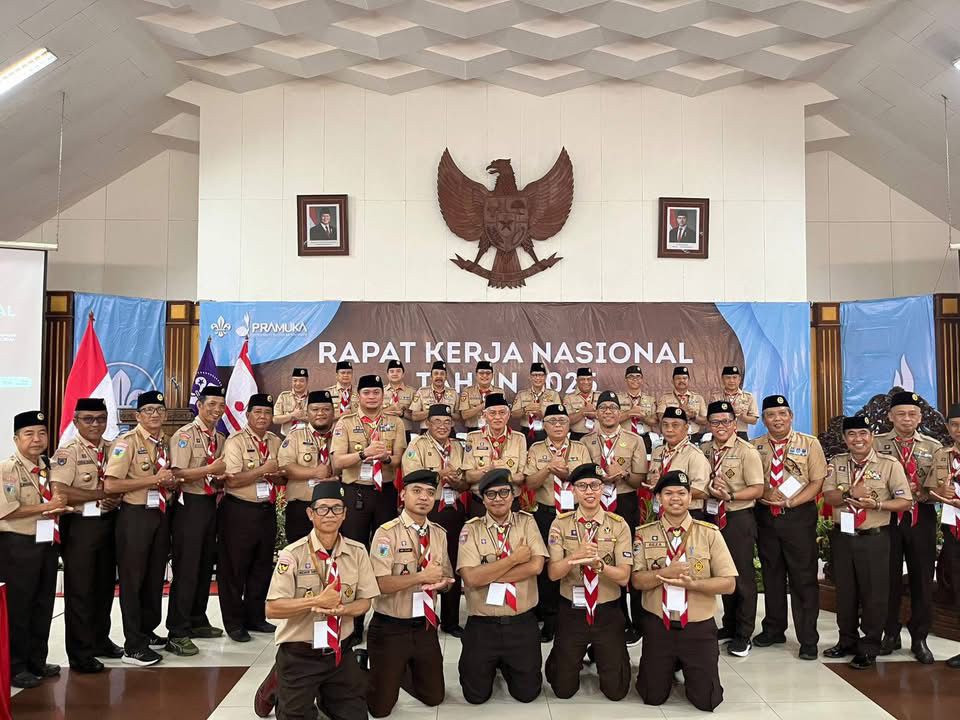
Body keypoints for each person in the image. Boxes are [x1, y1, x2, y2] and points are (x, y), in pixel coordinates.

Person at [256, 481, 380, 720]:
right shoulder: (292, 554)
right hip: (300, 655)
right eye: (322, 508)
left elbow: (366, 602)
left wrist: (343, 609)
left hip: (339, 653)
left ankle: (325, 695)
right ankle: (277, 679)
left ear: (344, 514)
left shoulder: (357, 552)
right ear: (310, 513)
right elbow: (272, 609)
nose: (330, 514)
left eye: (336, 508)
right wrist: (316, 601)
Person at [632, 470, 737, 712]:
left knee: (706, 701)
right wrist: (664, 574)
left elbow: (729, 584)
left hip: (698, 627)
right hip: (659, 625)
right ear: (658, 498)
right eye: (668, 493)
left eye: (681, 493)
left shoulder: (709, 533)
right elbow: (637, 581)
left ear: (690, 497)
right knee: (652, 696)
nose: (675, 498)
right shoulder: (644, 534)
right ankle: (669, 665)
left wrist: (694, 585)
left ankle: (683, 665)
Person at [822, 416, 911, 669]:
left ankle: (870, 646)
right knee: (845, 592)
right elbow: (829, 497)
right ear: (844, 438)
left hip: (874, 537)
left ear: (871, 436)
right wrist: (849, 492)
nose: (857, 439)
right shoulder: (837, 462)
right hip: (843, 536)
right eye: (851, 434)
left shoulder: (888, 464)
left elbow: (905, 501)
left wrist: (878, 504)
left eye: (863, 433)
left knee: (874, 594)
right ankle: (846, 641)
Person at [367, 469, 454, 717]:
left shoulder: (439, 533)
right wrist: (420, 577)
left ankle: (397, 670)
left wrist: (443, 583)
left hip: (424, 625)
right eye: (417, 491)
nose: (424, 497)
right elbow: (379, 584)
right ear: (403, 495)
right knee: (380, 709)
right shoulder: (387, 533)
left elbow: (447, 578)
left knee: (434, 697)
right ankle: (368, 667)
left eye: (430, 492)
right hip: (390, 627)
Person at [457, 468, 547, 704]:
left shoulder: (527, 522)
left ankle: (506, 665)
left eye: (504, 492)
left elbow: (536, 567)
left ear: (513, 494)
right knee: (475, 696)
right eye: (491, 494)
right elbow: (471, 578)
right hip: (482, 624)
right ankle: (495, 664)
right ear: (482, 498)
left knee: (527, 694)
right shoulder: (471, 529)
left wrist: (488, 573)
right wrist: (514, 560)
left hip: (521, 622)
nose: (498, 499)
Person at [544, 463, 632, 702]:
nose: (589, 491)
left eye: (594, 485)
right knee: (563, 690)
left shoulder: (619, 524)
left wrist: (601, 567)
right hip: (572, 610)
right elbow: (553, 574)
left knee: (616, 692)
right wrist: (576, 556)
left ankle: (602, 653)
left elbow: (624, 577)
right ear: (573, 491)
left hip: (607, 611)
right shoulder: (560, 524)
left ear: (602, 488)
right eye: (582, 486)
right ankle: (564, 653)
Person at [104, 391, 179, 666]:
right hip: (135, 516)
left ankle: (147, 631)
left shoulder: (165, 442)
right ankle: (133, 645)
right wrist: (152, 480)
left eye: (159, 410)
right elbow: (111, 484)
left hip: (159, 514)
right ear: (137, 416)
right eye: (148, 410)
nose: (154, 415)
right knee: (133, 581)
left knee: (154, 577)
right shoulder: (127, 442)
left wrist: (168, 483)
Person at [751, 394, 826, 660]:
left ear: (791, 416)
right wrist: (764, 494)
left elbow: (817, 482)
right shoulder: (755, 447)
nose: (777, 419)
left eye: (782, 414)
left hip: (798, 517)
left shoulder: (810, 443)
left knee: (803, 578)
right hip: (765, 517)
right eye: (771, 415)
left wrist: (792, 502)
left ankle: (808, 639)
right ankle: (773, 629)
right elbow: (751, 482)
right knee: (771, 574)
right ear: (763, 419)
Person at [50, 399, 123, 673]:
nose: (96, 424)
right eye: (89, 419)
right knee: (81, 590)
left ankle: (100, 640)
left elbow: (121, 481)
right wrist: (101, 494)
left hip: (109, 522)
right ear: (76, 421)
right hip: (80, 526)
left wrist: (115, 497)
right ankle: (80, 653)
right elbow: (60, 491)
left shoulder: (112, 448)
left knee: (104, 586)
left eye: (101, 418)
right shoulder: (68, 451)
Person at [874, 391, 942, 663]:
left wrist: (924, 492)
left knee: (922, 579)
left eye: (912, 414)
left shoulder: (934, 447)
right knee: (887, 577)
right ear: (890, 416)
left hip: (921, 516)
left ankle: (920, 637)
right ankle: (890, 633)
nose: (906, 419)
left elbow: (940, 485)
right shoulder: (876, 443)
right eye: (900, 414)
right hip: (887, 516)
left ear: (920, 417)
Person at [0, 411, 66, 688]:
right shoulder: (8, 469)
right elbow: (7, 510)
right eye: (29, 434)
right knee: (19, 607)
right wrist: (47, 506)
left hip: (47, 543)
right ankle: (16, 666)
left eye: (41, 433)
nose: (37, 439)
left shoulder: (49, 466)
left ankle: (37, 660)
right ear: (16, 439)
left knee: (43, 604)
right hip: (18, 545)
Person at [165, 385, 228, 656]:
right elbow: (177, 473)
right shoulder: (184, 435)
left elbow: (217, 472)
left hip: (210, 503)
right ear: (199, 405)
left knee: (204, 565)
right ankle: (177, 631)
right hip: (189, 505)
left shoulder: (220, 437)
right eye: (211, 404)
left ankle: (197, 619)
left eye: (221, 405)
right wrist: (210, 469)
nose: (216, 410)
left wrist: (220, 476)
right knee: (187, 568)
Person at [582, 390, 648, 646]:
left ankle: (636, 622)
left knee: (627, 559)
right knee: (601, 557)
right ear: (596, 413)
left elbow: (639, 480)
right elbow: (582, 475)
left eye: (612, 407)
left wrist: (625, 474)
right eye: (603, 408)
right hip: (595, 505)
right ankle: (611, 617)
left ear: (620, 413)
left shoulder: (634, 440)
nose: (608, 412)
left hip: (624, 502)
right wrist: (599, 476)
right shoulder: (586, 441)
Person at [698, 400, 764, 656]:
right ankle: (729, 625)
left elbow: (757, 489)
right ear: (709, 425)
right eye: (715, 422)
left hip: (737, 517)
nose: (721, 426)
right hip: (712, 516)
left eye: (726, 421)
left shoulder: (747, 451)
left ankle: (743, 634)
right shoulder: (704, 450)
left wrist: (731, 496)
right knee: (721, 572)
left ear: (734, 424)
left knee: (741, 576)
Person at [523, 404, 591, 642]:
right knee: (548, 565)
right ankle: (549, 619)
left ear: (569, 424)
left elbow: (587, 478)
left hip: (575, 514)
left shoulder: (580, 448)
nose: (558, 425)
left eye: (562, 421)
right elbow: (530, 483)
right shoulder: (536, 448)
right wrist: (548, 469)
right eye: (552, 421)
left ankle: (574, 615)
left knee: (574, 562)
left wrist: (565, 473)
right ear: (545, 425)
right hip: (547, 513)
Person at [220, 393, 284, 643]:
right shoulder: (235, 441)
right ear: (247, 415)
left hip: (266, 510)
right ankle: (234, 623)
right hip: (239, 510)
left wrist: (276, 475)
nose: (263, 417)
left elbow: (281, 476)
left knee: (261, 566)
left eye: (267, 413)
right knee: (235, 569)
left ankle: (255, 617)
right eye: (257, 412)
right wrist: (263, 470)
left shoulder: (275, 441)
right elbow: (233, 480)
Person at [402, 403, 468, 637]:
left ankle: (451, 620)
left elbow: (465, 482)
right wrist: (440, 474)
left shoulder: (458, 446)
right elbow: (410, 477)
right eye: (437, 422)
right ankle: (421, 616)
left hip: (454, 509)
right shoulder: (417, 445)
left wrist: (458, 482)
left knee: (452, 562)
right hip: (427, 510)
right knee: (422, 560)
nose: (442, 426)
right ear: (428, 424)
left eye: (447, 422)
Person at [331, 374, 406, 546]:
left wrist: (386, 458)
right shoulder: (345, 423)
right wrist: (363, 454)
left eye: (376, 392)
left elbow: (398, 460)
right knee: (354, 545)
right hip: (356, 493)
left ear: (383, 395)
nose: (372, 397)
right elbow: (338, 462)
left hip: (385, 492)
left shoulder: (396, 422)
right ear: (358, 396)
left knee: (385, 545)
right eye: (366, 393)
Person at [278, 390, 336, 544]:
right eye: (315, 409)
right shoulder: (295, 435)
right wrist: (315, 472)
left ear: (333, 412)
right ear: (307, 412)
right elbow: (285, 467)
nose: (320, 413)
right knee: (299, 552)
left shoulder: (341, 434)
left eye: (326, 409)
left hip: (334, 507)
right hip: (302, 507)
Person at [927, 403, 960, 669]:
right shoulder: (942, 455)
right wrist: (940, 492)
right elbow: (929, 489)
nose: (959, 430)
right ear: (948, 428)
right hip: (953, 531)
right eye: (955, 425)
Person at [462, 393, 527, 518]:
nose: (497, 417)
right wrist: (489, 470)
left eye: (502, 413)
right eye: (492, 413)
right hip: (481, 503)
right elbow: (469, 477)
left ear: (508, 415)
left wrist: (504, 475)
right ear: (484, 415)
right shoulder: (473, 438)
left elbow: (521, 477)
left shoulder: (519, 438)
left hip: (510, 503)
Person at [647, 408, 711, 522]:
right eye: (665, 425)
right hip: (660, 513)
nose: (669, 429)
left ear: (686, 428)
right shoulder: (657, 451)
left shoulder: (694, 454)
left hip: (687, 514)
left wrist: (667, 492)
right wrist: (652, 481)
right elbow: (650, 479)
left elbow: (702, 490)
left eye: (675, 425)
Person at [511, 363, 561, 446]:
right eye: (534, 375)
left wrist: (542, 415)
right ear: (530, 377)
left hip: (546, 431)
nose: (538, 378)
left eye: (541, 375)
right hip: (527, 431)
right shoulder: (522, 394)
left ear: (545, 377)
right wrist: (525, 409)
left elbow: (558, 417)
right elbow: (513, 414)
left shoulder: (553, 395)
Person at [657, 367, 707, 443]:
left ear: (689, 380)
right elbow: (661, 419)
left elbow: (705, 420)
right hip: (672, 437)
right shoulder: (665, 398)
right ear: (672, 381)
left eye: (684, 378)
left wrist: (693, 417)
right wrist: (680, 413)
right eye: (678, 378)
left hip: (693, 438)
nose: (682, 381)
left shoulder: (698, 398)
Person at [617, 365, 657, 453]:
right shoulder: (618, 399)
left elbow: (654, 422)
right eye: (631, 377)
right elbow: (614, 419)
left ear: (642, 379)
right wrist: (630, 413)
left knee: (644, 461)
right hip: (623, 436)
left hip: (644, 438)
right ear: (625, 379)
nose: (635, 379)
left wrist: (643, 417)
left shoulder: (650, 400)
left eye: (638, 377)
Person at [712, 366, 758, 440]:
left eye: (734, 377)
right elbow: (711, 418)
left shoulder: (748, 397)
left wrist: (743, 417)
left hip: (741, 433)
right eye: (728, 378)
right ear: (722, 379)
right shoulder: (716, 397)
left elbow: (754, 420)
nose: (731, 381)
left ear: (739, 379)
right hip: (721, 432)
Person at [409, 360, 460, 429]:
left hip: (447, 431)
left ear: (446, 377)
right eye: (436, 374)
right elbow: (414, 416)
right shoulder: (421, 392)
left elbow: (458, 416)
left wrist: (447, 412)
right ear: (431, 377)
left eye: (442, 374)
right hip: (427, 431)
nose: (439, 376)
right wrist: (433, 411)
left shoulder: (453, 393)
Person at [459, 361, 504, 432]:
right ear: (476, 375)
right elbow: (464, 415)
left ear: (492, 375)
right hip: (473, 430)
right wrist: (483, 405)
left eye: (488, 373)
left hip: (493, 431)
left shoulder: (499, 392)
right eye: (481, 373)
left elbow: (503, 414)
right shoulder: (467, 391)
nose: (485, 376)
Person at [564, 367, 600, 441]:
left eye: (589, 379)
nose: (586, 382)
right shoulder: (569, 398)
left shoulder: (600, 396)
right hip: (577, 436)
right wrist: (583, 412)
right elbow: (566, 420)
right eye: (582, 379)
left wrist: (596, 414)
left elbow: (608, 417)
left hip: (597, 435)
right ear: (576, 380)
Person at [383, 360, 416, 438]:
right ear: (387, 374)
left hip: (404, 432)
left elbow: (415, 416)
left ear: (403, 374)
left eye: (398, 371)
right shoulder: (380, 391)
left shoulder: (412, 392)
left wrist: (403, 414)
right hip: (385, 430)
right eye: (392, 371)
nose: (395, 374)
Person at [274, 368, 310, 436]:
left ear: (307, 381)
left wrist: (301, 417)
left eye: (301, 381)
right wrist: (292, 415)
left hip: (307, 437)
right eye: (295, 380)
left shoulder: (313, 397)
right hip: (287, 436)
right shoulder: (283, 396)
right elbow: (275, 419)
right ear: (291, 381)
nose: (298, 383)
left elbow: (317, 420)